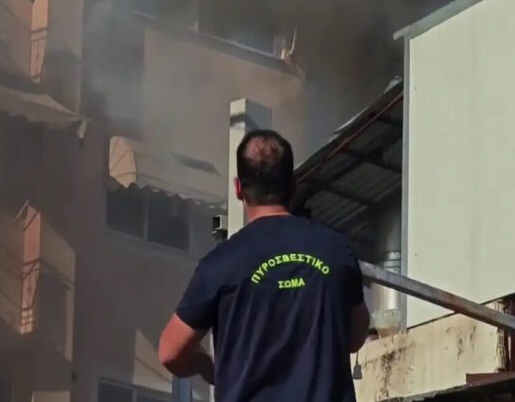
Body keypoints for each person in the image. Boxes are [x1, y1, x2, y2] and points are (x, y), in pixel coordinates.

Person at [159, 129, 370, 402]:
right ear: (293, 185)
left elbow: (170, 352)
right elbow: (355, 336)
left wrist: (206, 366)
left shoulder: (221, 263)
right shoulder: (336, 250)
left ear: (238, 188)